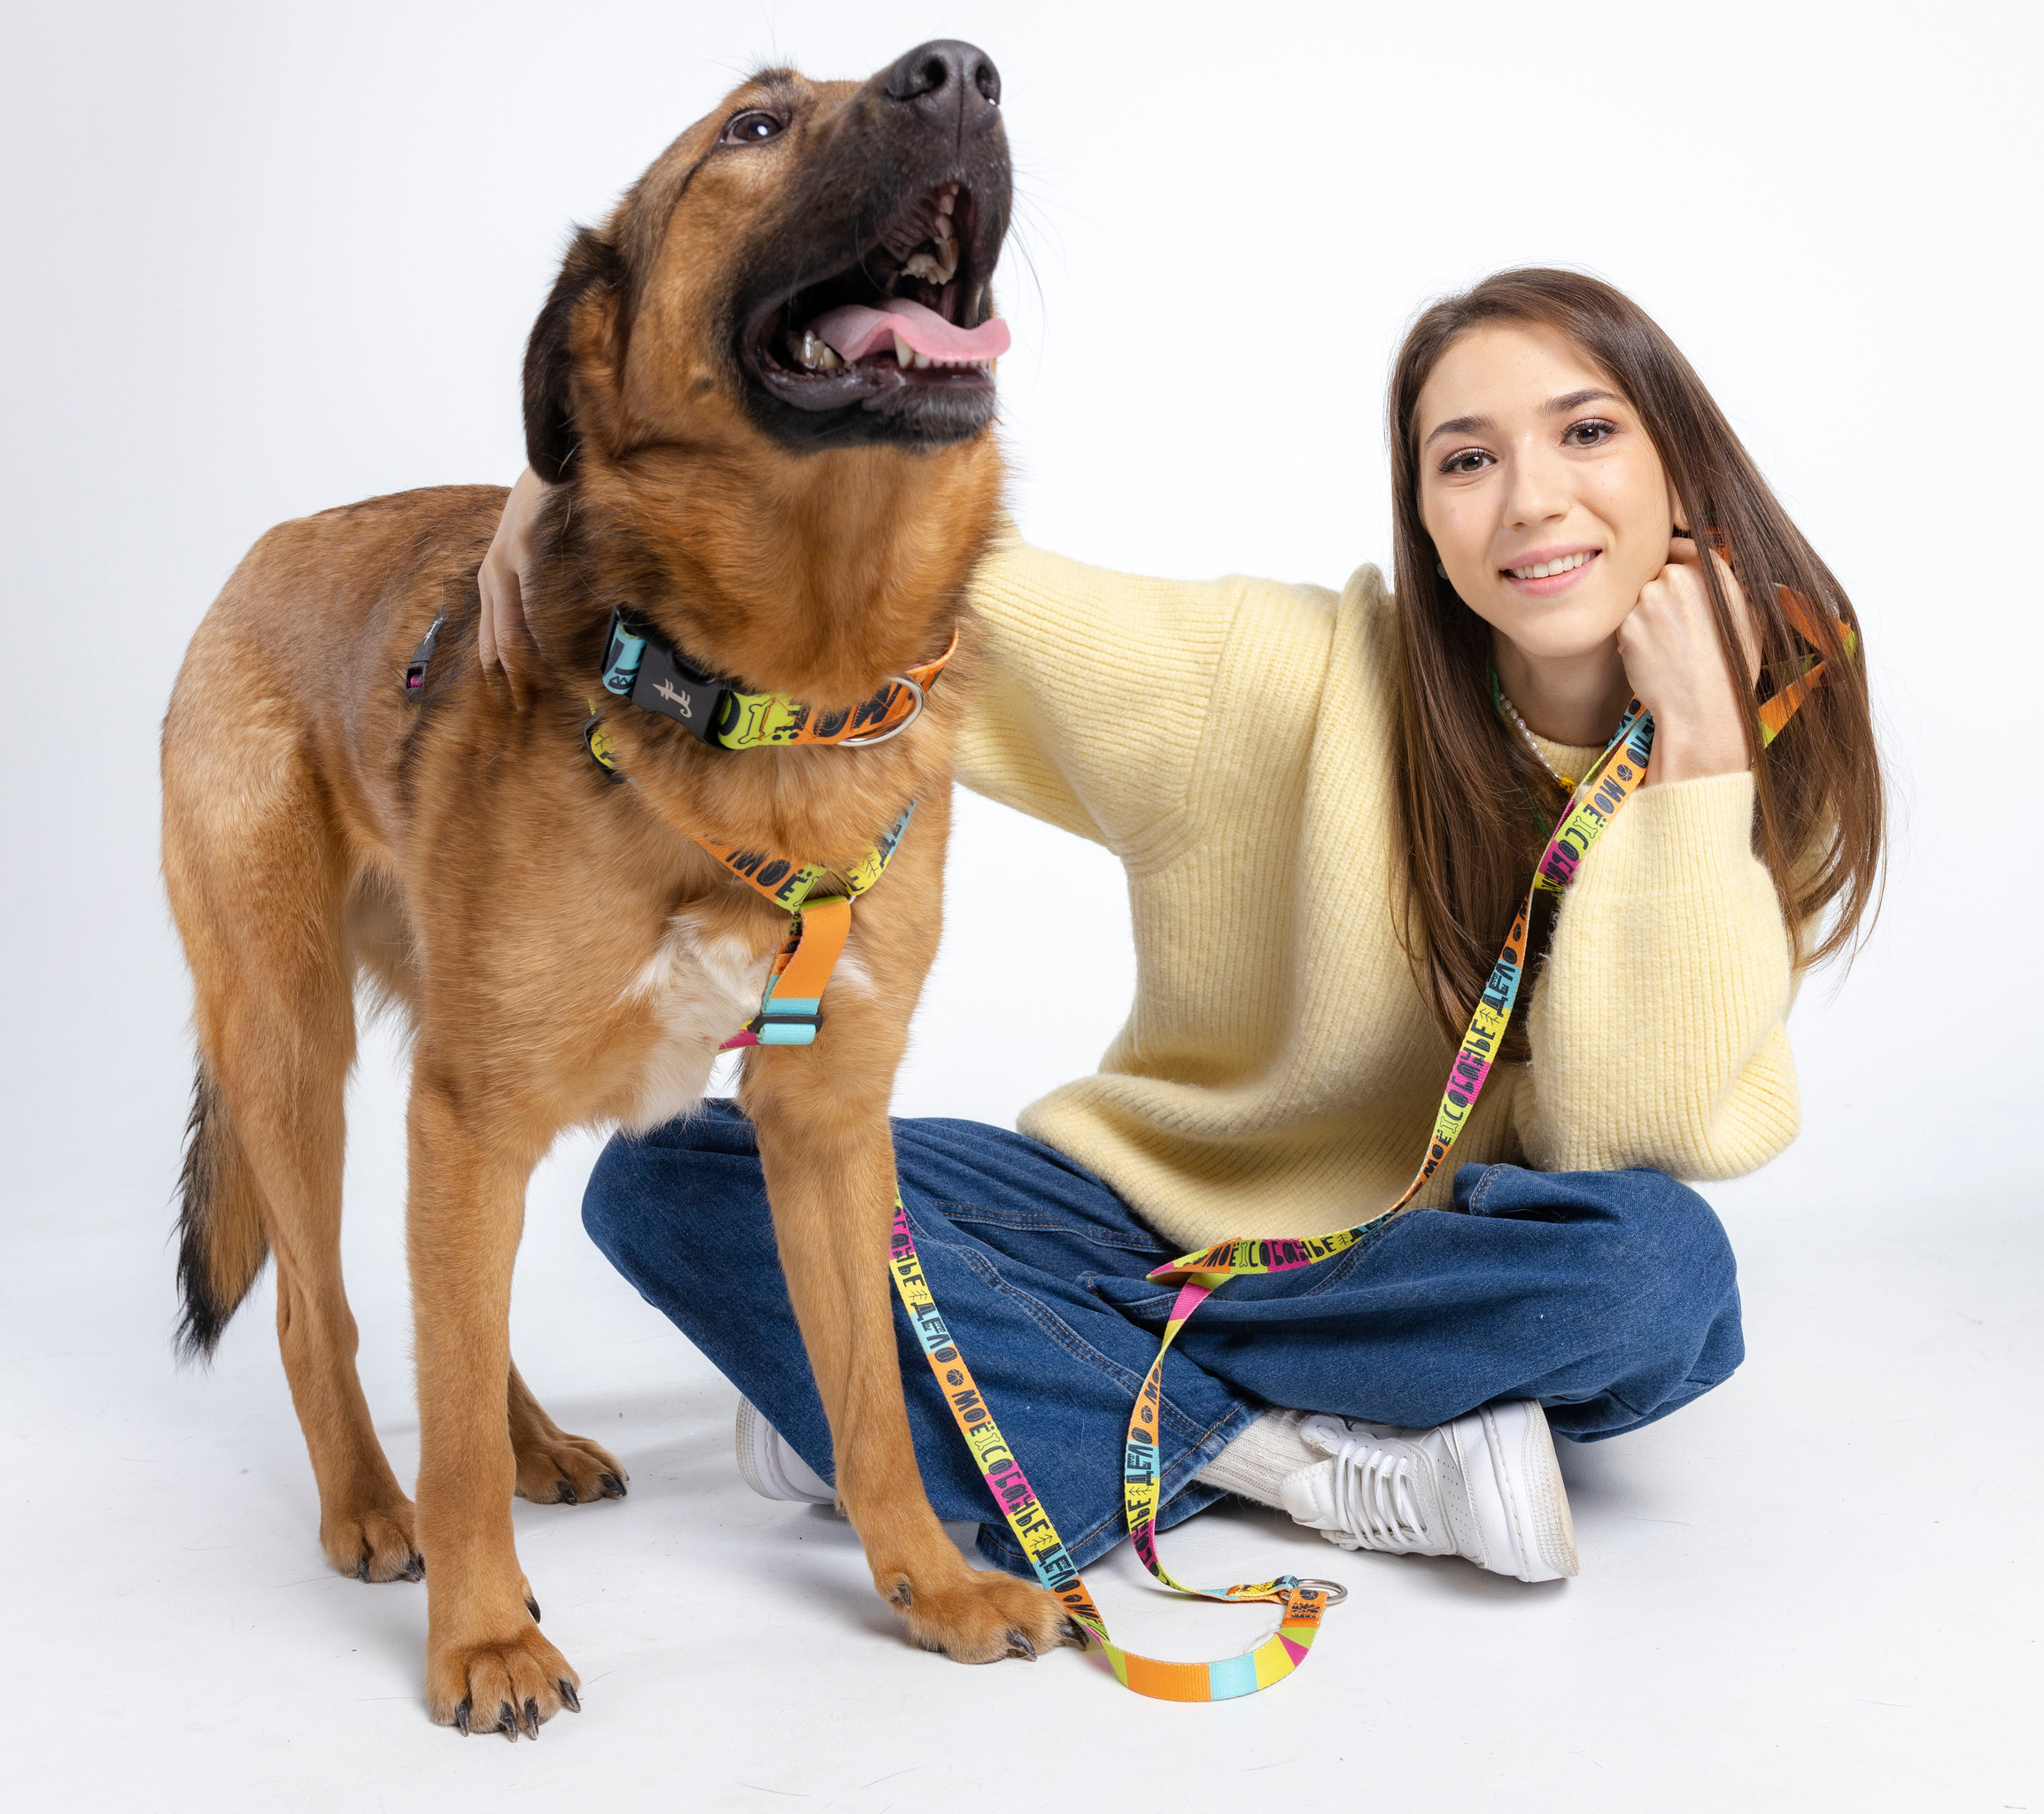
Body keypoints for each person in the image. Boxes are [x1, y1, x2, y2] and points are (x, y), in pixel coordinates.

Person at [477, 268, 1883, 1588]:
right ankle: (1295, 1463)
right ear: (1421, 513)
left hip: (1410, 1272)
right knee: (672, 1175)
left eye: (1586, 432)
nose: (1531, 500)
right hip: (1127, 1220)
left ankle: (938, 1398)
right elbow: (917, 578)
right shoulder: (1272, 682)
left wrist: (1699, 761)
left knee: (1654, 1271)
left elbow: (1624, 1133)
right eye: (1466, 460)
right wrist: (579, 464)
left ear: (1679, 465)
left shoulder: (1759, 764)